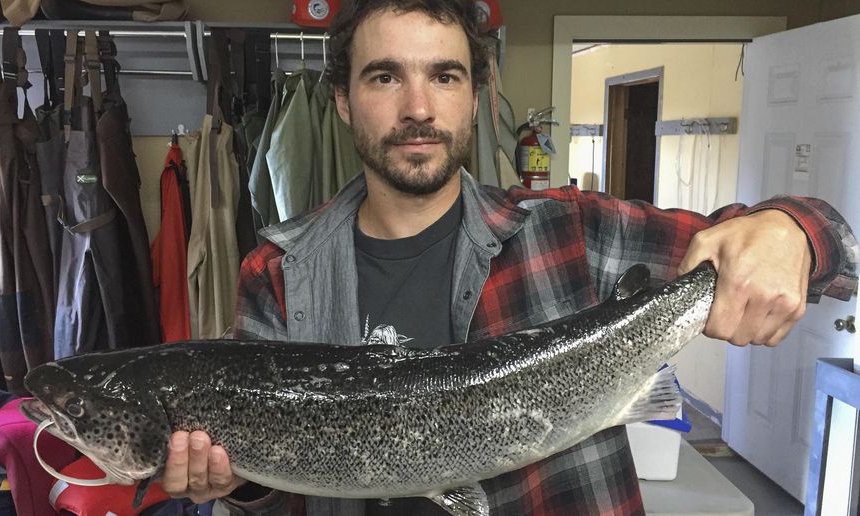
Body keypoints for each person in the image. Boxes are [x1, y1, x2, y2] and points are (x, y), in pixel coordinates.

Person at [160, 1, 859, 514]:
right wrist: (235, 478)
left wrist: (789, 231)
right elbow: (275, 482)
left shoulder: (571, 231)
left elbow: (835, 257)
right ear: (341, 101)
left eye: (444, 76)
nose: (417, 108)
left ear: (475, 97)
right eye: (383, 78)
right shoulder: (275, 272)